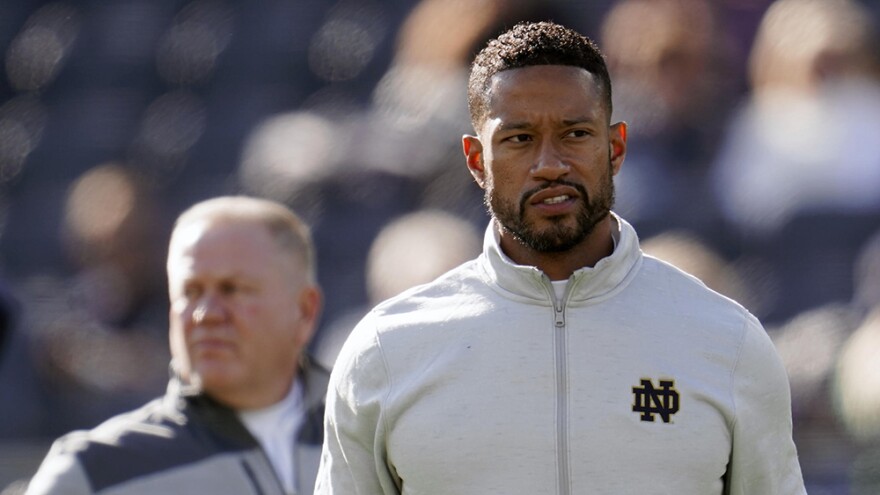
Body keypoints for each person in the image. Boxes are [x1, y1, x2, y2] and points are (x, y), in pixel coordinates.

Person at [315, 21, 806, 494]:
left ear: (614, 148)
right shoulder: (386, 351)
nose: (550, 164)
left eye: (575, 134)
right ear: (475, 160)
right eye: (519, 139)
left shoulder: (728, 343)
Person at [26, 196, 327, 495]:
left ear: (304, 311)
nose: (206, 313)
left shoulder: (366, 439)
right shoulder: (93, 473)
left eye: (233, 289)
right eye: (190, 292)